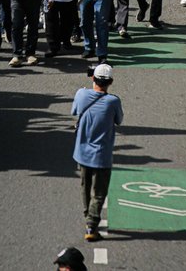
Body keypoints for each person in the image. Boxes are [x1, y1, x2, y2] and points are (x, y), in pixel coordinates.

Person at [71, 63, 123, 241]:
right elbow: (119, 120)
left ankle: (88, 217)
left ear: (93, 77)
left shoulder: (81, 94)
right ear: (110, 82)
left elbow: (74, 111)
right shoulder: (113, 101)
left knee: (85, 187)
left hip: (82, 151)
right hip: (102, 154)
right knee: (99, 191)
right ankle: (91, 223)